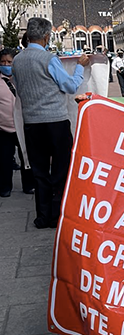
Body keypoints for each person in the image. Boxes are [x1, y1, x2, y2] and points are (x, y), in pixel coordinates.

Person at [12, 17, 89, 228]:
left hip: (31, 123)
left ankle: (42, 216)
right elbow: (70, 87)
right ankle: (57, 214)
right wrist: (80, 68)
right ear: (47, 36)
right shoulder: (48, 59)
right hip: (55, 120)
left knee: (39, 171)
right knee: (61, 169)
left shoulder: (17, 61)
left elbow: (19, 90)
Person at [0, 48, 34, 197]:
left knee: (26, 157)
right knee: (4, 160)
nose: (6, 65)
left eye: (9, 62)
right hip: (3, 128)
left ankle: (29, 185)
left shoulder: (22, 78)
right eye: (3, 62)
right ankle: (5, 187)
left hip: (22, 125)